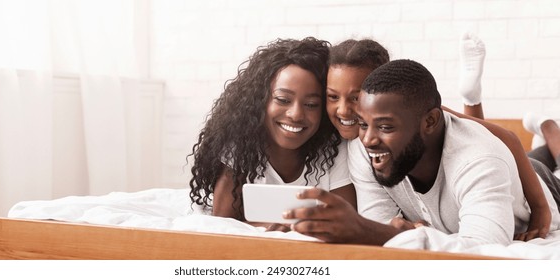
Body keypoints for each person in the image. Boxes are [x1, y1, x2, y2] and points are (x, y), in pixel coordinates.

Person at [285, 59, 560, 248]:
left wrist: (377, 231)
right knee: (537, 155)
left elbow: (483, 252)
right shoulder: (365, 148)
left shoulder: (479, 159)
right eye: (363, 124)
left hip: (542, 186)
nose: (368, 139)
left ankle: (549, 128)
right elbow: (382, 224)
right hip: (499, 170)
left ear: (429, 122)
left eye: (385, 126)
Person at [188, 37, 356, 232]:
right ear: (261, 101)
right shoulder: (241, 143)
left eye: (311, 105)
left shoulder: (334, 150)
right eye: (283, 100)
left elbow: (347, 221)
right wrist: (266, 225)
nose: (296, 114)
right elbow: (222, 222)